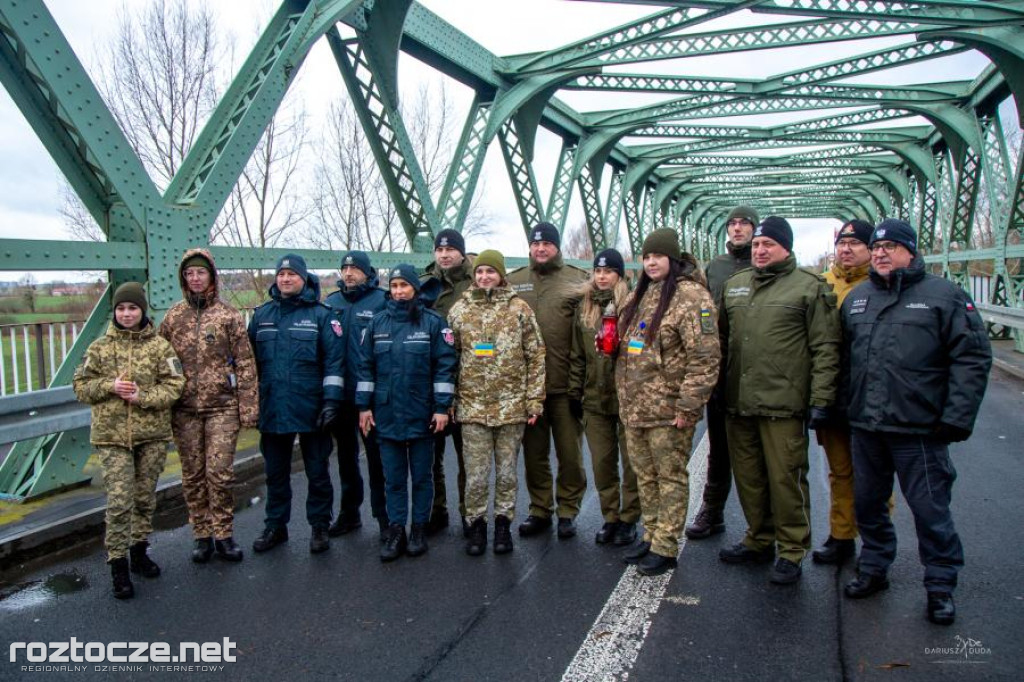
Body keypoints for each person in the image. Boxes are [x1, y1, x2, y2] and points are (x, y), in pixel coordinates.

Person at [841, 219, 991, 626]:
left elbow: (973, 358)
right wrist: (839, 408)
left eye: (890, 246)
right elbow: (841, 362)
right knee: (869, 505)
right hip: (867, 426)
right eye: (875, 247)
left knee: (929, 510)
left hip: (919, 429)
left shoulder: (944, 296)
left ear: (910, 251)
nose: (880, 253)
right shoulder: (857, 299)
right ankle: (873, 567)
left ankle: (940, 586)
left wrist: (957, 417)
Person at [717, 216, 841, 585]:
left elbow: (825, 348)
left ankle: (791, 549)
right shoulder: (735, 286)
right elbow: (719, 344)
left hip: (783, 404)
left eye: (767, 244)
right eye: (756, 245)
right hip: (739, 402)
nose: (759, 250)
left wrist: (822, 399)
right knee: (750, 478)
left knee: (786, 479)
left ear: (786, 247)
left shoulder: (808, 288)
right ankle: (758, 537)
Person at [615, 230, 720, 576]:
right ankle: (651, 534)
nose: (651, 262)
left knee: (669, 476)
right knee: (645, 476)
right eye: (646, 257)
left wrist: (689, 407)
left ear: (672, 259)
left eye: (658, 256)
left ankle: (666, 545)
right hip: (636, 408)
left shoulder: (691, 297)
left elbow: (704, 357)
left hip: (668, 409)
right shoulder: (640, 295)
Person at [73, 282, 185, 599]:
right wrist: (109, 386)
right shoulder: (99, 348)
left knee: (144, 498)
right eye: (121, 308)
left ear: (142, 311)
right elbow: (81, 386)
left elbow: (175, 385)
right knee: (120, 502)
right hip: (112, 437)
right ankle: (118, 565)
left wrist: (143, 396)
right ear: (115, 312)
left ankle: (139, 552)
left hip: (151, 434)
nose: (126, 314)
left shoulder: (160, 347)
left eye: (132, 308)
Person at [159, 249, 259, 564]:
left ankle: (224, 534)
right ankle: (201, 535)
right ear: (184, 278)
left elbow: (245, 363)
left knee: (219, 473)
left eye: (201, 273)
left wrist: (248, 407)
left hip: (222, 407)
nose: (196, 278)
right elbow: (159, 360)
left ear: (211, 276)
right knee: (193, 475)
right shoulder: (174, 317)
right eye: (190, 274)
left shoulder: (228, 316)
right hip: (184, 409)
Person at [357, 264, 458, 561]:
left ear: (415, 288)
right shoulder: (377, 324)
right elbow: (366, 368)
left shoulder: (433, 323)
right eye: (394, 286)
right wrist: (363, 406)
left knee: (422, 477)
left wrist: (442, 409)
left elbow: (444, 368)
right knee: (394, 478)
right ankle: (397, 528)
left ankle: (418, 529)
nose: (399, 291)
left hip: (422, 412)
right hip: (387, 412)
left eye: (404, 285)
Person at [448, 250, 545, 556]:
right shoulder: (460, 311)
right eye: (479, 272)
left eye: (490, 271)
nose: (484, 277)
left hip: (511, 407)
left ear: (501, 275)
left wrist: (534, 400)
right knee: (475, 475)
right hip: (473, 407)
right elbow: (448, 358)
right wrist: (449, 400)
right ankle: (476, 526)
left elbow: (536, 355)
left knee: (506, 474)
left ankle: (503, 525)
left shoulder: (519, 309)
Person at [248, 254, 344, 555]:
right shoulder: (261, 315)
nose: (285, 279)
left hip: (311, 407)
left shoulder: (322, 315)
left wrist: (331, 401)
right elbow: (248, 364)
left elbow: (334, 362)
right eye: (281, 274)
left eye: (292, 274)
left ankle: (319, 525)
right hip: (273, 406)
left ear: (304, 278)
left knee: (317, 471)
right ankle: (276, 526)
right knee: (275, 473)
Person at [507, 222, 589, 539]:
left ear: (556, 247)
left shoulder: (576, 280)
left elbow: (587, 334)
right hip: (530, 389)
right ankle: (540, 510)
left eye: (547, 244)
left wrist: (580, 385)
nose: (540, 249)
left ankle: (567, 510)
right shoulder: (514, 281)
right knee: (534, 455)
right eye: (535, 244)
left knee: (570, 455)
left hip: (565, 386)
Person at [687, 206, 757, 541]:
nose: (738, 228)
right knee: (719, 449)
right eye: (733, 223)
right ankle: (712, 511)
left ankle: (761, 526)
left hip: (757, 371)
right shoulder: (715, 267)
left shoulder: (766, 261)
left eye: (744, 223)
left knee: (758, 453)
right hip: (721, 368)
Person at [810, 219, 873, 565]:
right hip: (831, 394)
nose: (846, 249)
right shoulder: (822, 285)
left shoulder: (881, 283)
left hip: (867, 396)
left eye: (855, 243)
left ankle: (874, 543)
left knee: (872, 474)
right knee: (840, 471)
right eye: (842, 243)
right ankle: (842, 535)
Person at [568, 248, 640, 546]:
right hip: (594, 399)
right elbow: (577, 355)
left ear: (619, 275)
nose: (601, 276)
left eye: (608, 271)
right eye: (597, 271)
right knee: (602, 463)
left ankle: (629, 518)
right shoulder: (584, 309)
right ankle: (610, 517)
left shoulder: (634, 306)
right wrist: (575, 390)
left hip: (627, 398)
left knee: (632, 464)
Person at [324, 250, 389, 539]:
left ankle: (384, 517)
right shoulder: (331, 303)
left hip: (371, 396)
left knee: (377, 458)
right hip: (340, 395)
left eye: (354, 268)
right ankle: (349, 513)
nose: (348, 273)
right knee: (346, 458)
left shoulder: (381, 300)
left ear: (367, 272)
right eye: (344, 268)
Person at [421, 229, 474, 535]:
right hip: (433, 382)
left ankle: (470, 514)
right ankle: (436, 510)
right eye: (439, 251)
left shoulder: (476, 279)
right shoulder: (426, 283)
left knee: (467, 456)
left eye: (451, 250)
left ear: (461, 252)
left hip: (468, 382)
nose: (444, 255)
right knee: (432, 455)